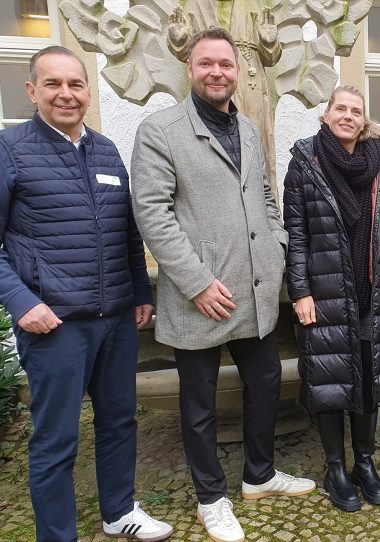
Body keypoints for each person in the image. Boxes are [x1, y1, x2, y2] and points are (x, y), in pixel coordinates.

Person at [130, 28, 314, 542]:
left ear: (237, 71)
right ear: (190, 68)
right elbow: (153, 214)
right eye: (206, 63)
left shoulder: (250, 130)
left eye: (226, 65)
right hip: (199, 298)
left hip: (253, 290)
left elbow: (265, 196)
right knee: (200, 403)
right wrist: (196, 283)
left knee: (266, 383)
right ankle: (211, 498)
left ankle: (259, 474)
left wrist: (276, 248)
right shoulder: (160, 130)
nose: (217, 72)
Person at [0, 46, 172, 541]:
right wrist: (22, 303)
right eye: (53, 84)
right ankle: (57, 535)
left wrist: (140, 290)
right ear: (32, 91)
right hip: (54, 324)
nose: (66, 94)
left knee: (119, 421)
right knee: (56, 440)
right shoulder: (11, 151)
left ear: (88, 92)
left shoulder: (105, 150)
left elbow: (126, 230)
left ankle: (119, 512)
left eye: (75, 84)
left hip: (116, 318)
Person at [283, 85, 380, 513]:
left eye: (356, 110)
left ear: (363, 119)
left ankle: (365, 463)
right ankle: (335, 468)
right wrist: (299, 290)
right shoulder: (304, 164)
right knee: (330, 378)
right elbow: (295, 235)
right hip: (326, 290)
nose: (348, 116)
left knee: (369, 375)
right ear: (326, 115)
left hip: (370, 288)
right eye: (341, 108)